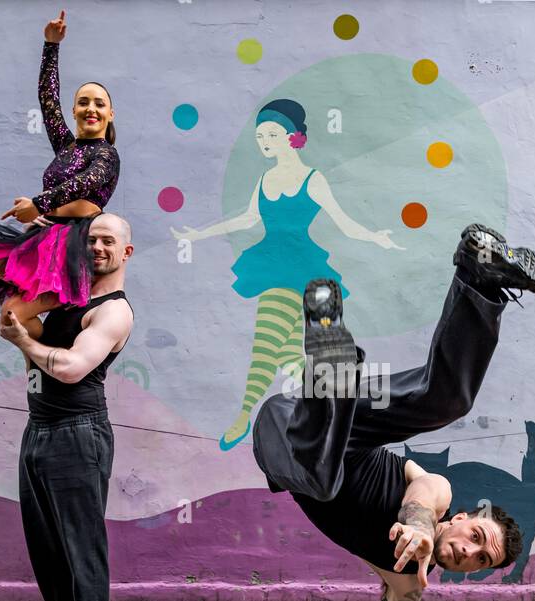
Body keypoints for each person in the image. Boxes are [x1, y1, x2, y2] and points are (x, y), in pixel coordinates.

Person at [252, 224, 535, 601]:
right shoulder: (437, 490)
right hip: (348, 423)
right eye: (477, 536)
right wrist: (417, 528)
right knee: (445, 401)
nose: (468, 551)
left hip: (287, 442)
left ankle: (333, 364)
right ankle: (479, 276)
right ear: (464, 515)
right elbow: (424, 498)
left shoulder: (409, 588)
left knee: (323, 478)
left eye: (477, 559)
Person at [170, 98, 403, 451]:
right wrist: (198, 234)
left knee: (265, 342)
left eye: (272, 134)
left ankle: (243, 415)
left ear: (292, 136)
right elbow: (247, 218)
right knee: (286, 355)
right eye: (260, 135)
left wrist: (375, 237)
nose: (264, 141)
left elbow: (342, 221)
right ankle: (333, 405)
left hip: (298, 270)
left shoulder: (313, 178)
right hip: (270, 263)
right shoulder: (265, 178)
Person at [0, 9, 121, 365]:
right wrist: (51, 46)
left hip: (74, 245)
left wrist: (39, 203)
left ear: (110, 115)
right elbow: (47, 101)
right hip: (44, 236)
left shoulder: (107, 155)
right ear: (75, 111)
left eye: (99, 103)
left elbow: (85, 183)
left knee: (14, 314)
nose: (90, 108)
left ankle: (52, 355)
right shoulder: (67, 146)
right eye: (83, 102)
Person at [0, 213, 135, 601]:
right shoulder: (66, 299)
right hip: (38, 429)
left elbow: (74, 368)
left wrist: (24, 341)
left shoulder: (113, 311)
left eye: (108, 241)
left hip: (78, 434)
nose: (97, 248)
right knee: (48, 548)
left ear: (126, 253)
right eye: (91, 239)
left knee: (81, 547)